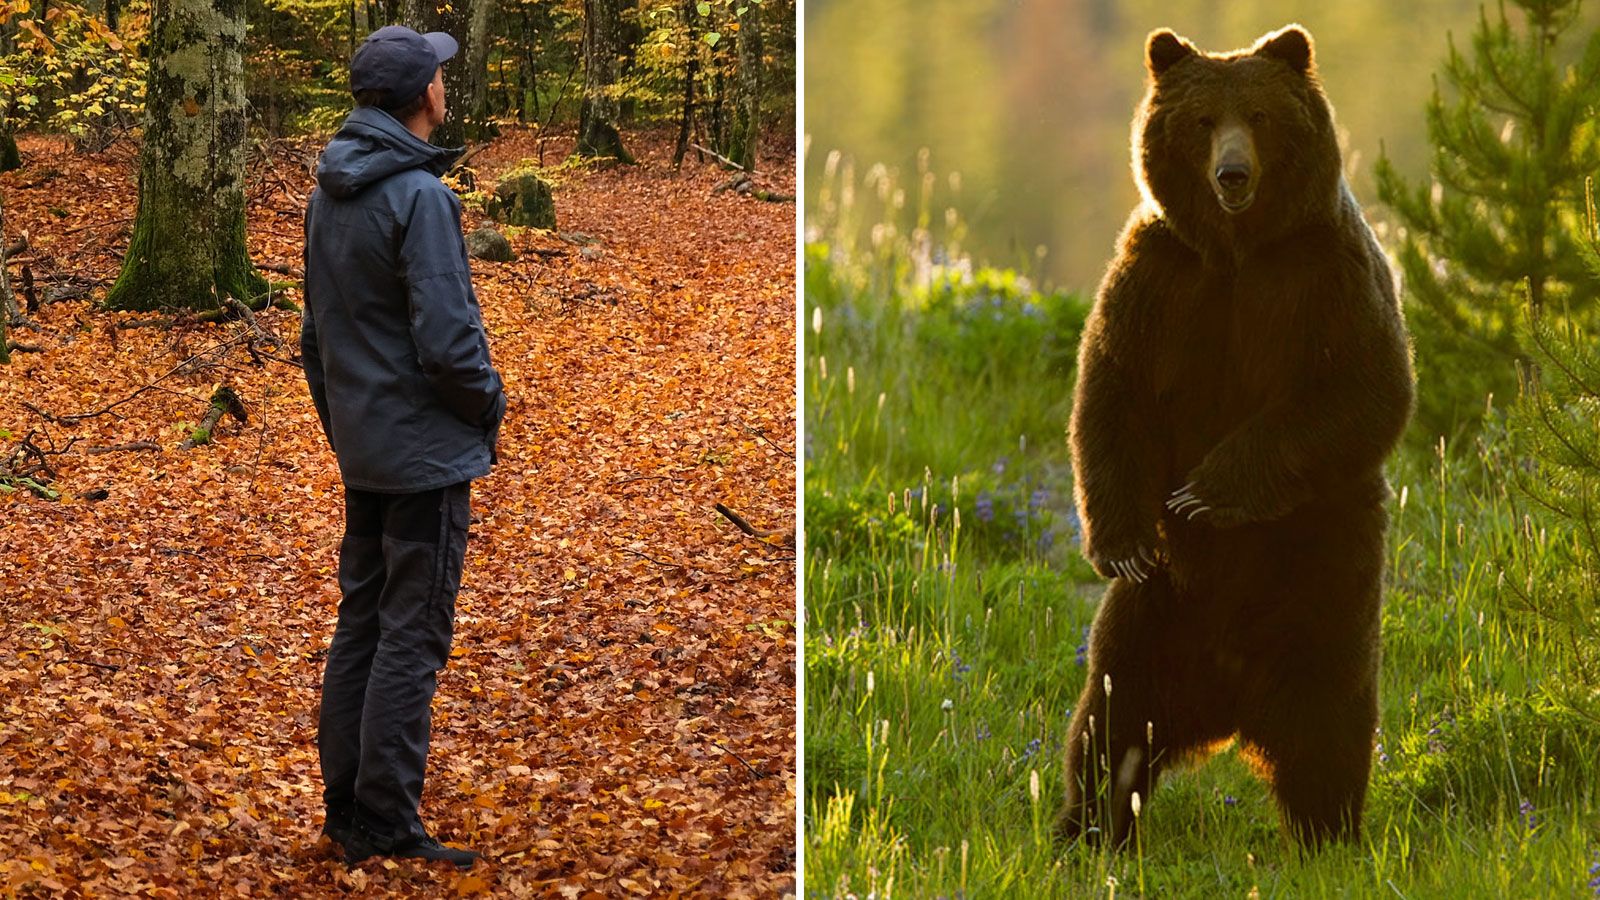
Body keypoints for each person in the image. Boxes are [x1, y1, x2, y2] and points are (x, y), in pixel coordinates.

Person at [300, 24, 506, 868]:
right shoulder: (420, 196)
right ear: (425, 93)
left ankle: (348, 810)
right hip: (421, 455)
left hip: (367, 448)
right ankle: (383, 819)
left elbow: (315, 339)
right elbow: (450, 342)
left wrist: (345, 427)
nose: (445, 86)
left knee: (362, 625)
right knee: (410, 633)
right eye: (440, 75)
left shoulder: (329, 191)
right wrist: (485, 407)